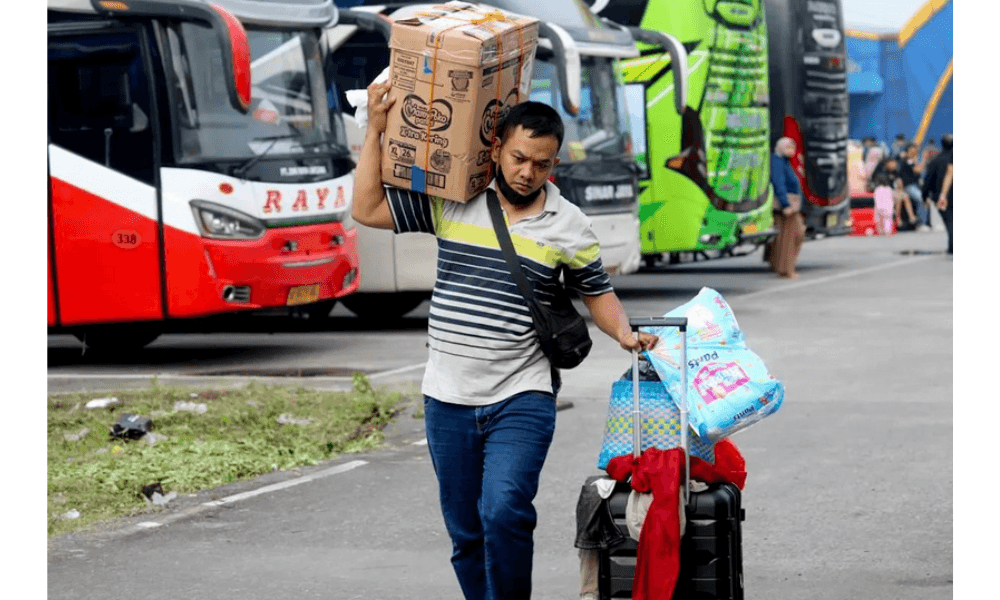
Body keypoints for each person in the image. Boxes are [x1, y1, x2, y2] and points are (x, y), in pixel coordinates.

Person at [352, 80, 659, 600]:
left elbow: (596, 292)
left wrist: (626, 334)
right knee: (465, 533)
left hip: (523, 393)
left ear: (554, 164)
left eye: (541, 164)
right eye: (518, 158)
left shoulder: (570, 225)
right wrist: (377, 129)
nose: (527, 172)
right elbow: (367, 209)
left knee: (504, 511)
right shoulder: (453, 202)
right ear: (496, 148)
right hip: (446, 398)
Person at [769, 137, 805, 279]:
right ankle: (787, 269)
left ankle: (782, 267)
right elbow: (779, 183)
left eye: (793, 147)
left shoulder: (782, 161)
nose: (792, 150)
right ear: (780, 147)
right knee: (794, 235)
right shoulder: (777, 161)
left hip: (787, 204)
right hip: (786, 205)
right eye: (788, 147)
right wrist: (785, 204)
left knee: (783, 237)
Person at [922, 134, 953, 255]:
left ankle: (953, 247)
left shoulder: (935, 160)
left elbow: (928, 179)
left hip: (941, 195)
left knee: (950, 220)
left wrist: (925, 195)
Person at [899, 143, 930, 231]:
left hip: (915, 186)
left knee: (923, 200)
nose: (916, 150)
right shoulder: (907, 160)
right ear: (909, 150)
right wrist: (924, 158)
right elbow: (918, 170)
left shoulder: (911, 159)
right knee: (922, 199)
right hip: (909, 186)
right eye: (914, 148)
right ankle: (921, 224)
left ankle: (924, 223)